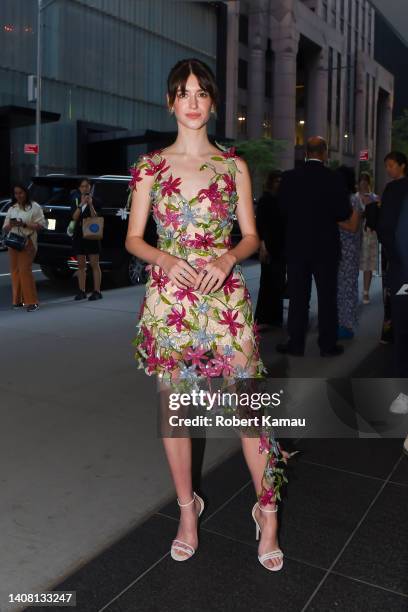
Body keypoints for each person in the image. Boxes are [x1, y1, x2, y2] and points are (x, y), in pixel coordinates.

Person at [125, 58, 295, 571]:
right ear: (170, 103)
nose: (193, 102)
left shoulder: (233, 166)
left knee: (249, 411)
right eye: (184, 93)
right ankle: (187, 511)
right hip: (170, 300)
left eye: (202, 93)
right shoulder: (149, 167)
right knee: (176, 416)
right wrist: (166, 259)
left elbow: (250, 236)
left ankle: (267, 513)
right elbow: (133, 238)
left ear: (213, 103)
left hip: (224, 300)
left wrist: (226, 257)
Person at [276, 136, 352, 357]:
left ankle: (296, 343)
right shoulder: (335, 179)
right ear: (325, 153)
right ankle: (327, 345)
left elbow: (282, 211)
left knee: (299, 298)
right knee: (328, 298)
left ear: (305, 153)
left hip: (297, 247)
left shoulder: (289, 178)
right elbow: (343, 213)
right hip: (326, 248)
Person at [377, 151, 408, 378]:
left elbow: (385, 229)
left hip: (400, 267)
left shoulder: (393, 191)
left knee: (402, 326)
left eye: (391, 165)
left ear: (402, 166)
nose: (388, 169)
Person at [3, 183, 46, 311]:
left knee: (24, 271)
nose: (18, 195)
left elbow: (41, 225)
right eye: (16, 193)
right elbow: (5, 227)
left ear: (26, 193)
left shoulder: (34, 207)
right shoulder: (12, 208)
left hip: (27, 243)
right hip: (13, 242)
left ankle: (32, 302)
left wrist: (24, 223)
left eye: (20, 193)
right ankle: (18, 301)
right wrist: (11, 224)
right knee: (15, 272)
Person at [254, 169, 286, 329]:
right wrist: (262, 245)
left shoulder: (282, 200)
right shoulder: (265, 200)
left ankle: (276, 318)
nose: (278, 183)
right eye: (276, 181)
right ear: (271, 182)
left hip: (281, 246)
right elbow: (260, 224)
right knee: (267, 281)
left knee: (278, 282)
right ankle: (263, 318)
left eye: (281, 181)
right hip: (269, 244)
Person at [336, 166, 363, 340]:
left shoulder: (354, 200)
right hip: (340, 249)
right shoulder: (343, 199)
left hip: (348, 250)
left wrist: (334, 221)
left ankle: (346, 325)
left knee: (346, 288)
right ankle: (342, 323)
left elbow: (353, 227)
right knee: (340, 289)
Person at [70, 178, 103, 301]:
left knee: (94, 264)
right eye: (82, 186)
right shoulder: (75, 200)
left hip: (92, 234)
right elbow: (74, 217)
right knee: (81, 265)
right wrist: (81, 204)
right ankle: (81, 291)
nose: (85, 188)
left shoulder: (96, 200)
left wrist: (90, 204)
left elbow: (96, 217)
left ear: (90, 187)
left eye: (87, 186)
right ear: (79, 188)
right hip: (79, 234)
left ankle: (97, 291)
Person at [358, 172, 380, 304]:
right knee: (353, 263)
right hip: (355, 233)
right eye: (361, 180)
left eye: (366, 180)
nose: (363, 182)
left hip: (370, 234)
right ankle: (351, 290)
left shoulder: (375, 197)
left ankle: (366, 292)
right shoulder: (353, 198)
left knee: (368, 264)